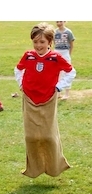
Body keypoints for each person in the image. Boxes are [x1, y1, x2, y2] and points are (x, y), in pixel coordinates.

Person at [14, 22, 76, 178]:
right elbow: (18, 69)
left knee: (48, 137)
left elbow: (71, 72)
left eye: (42, 42)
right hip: (29, 98)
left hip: (48, 98)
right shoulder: (28, 55)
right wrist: (21, 83)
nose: (38, 45)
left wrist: (59, 87)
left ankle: (55, 167)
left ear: (50, 42)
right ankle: (34, 169)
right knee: (31, 137)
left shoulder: (55, 58)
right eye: (35, 41)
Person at [54, 21, 75, 100]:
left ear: (64, 21)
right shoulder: (54, 32)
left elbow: (71, 44)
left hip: (65, 51)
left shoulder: (68, 32)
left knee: (67, 71)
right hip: (56, 51)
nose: (59, 23)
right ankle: (58, 92)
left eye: (60, 21)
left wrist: (69, 54)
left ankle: (67, 93)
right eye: (57, 21)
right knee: (57, 72)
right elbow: (53, 42)